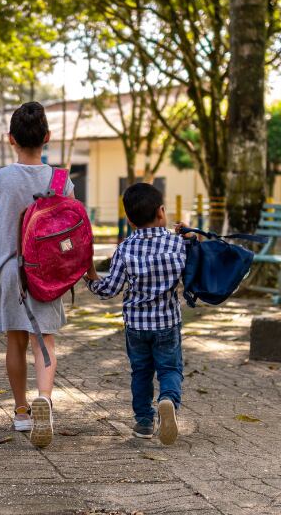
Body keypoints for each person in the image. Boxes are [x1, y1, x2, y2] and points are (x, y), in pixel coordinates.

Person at [0, 102, 75, 448]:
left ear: (10, 138)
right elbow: (75, 232)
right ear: (47, 138)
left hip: (10, 272)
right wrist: (85, 272)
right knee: (45, 340)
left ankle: (22, 412)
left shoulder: (0, 178)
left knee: (15, 341)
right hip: (47, 274)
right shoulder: (61, 180)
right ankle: (45, 398)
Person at [84, 182, 190, 445]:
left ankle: (144, 422)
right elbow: (192, 276)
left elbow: (109, 289)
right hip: (167, 321)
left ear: (129, 220)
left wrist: (90, 275)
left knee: (140, 372)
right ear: (162, 212)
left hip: (136, 325)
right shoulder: (178, 244)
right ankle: (168, 399)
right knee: (170, 368)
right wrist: (188, 237)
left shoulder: (125, 249)